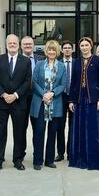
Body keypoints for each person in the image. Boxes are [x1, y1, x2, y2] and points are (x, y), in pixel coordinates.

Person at [0, 34, 31, 172]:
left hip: (18, 102)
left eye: (14, 42)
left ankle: (18, 160)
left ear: (18, 44)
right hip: (1, 102)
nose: (12, 44)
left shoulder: (25, 61)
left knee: (19, 132)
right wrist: (4, 94)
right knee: (1, 132)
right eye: (10, 42)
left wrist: (15, 95)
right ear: (6, 44)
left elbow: (27, 81)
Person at [67, 36, 99, 170]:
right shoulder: (77, 62)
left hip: (93, 99)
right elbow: (73, 82)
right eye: (82, 45)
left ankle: (94, 161)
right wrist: (71, 100)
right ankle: (80, 160)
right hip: (79, 99)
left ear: (91, 46)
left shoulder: (98, 60)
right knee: (79, 130)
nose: (84, 47)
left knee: (93, 130)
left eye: (86, 45)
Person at [30, 40, 66, 170]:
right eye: (49, 50)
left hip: (54, 103)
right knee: (39, 132)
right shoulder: (39, 64)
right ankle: (37, 160)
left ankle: (49, 160)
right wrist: (44, 94)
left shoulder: (62, 66)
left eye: (54, 50)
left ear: (57, 52)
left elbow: (63, 84)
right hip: (40, 102)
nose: (51, 52)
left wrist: (52, 93)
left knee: (52, 133)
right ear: (46, 51)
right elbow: (34, 82)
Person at [57, 40, 74, 162]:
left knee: (73, 126)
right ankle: (60, 153)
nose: (67, 49)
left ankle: (71, 152)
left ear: (72, 50)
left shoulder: (78, 63)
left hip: (74, 97)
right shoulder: (57, 63)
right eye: (65, 48)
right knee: (60, 126)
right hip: (60, 97)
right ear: (62, 50)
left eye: (69, 47)